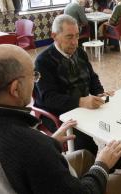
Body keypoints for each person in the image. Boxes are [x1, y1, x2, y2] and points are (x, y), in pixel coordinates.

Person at [0, 44, 121, 194]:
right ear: (15, 88)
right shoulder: (30, 145)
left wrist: (50, 142)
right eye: (33, 76)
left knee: (85, 156)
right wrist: (102, 165)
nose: (35, 81)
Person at [34, 15, 111, 157]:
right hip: (56, 113)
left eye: (77, 36)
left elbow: (92, 77)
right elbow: (49, 98)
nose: (75, 42)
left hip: (81, 107)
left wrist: (99, 93)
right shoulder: (42, 61)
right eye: (69, 37)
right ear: (54, 36)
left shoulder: (80, 52)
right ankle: (87, 175)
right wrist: (80, 101)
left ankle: (110, 168)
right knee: (86, 147)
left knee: (114, 128)